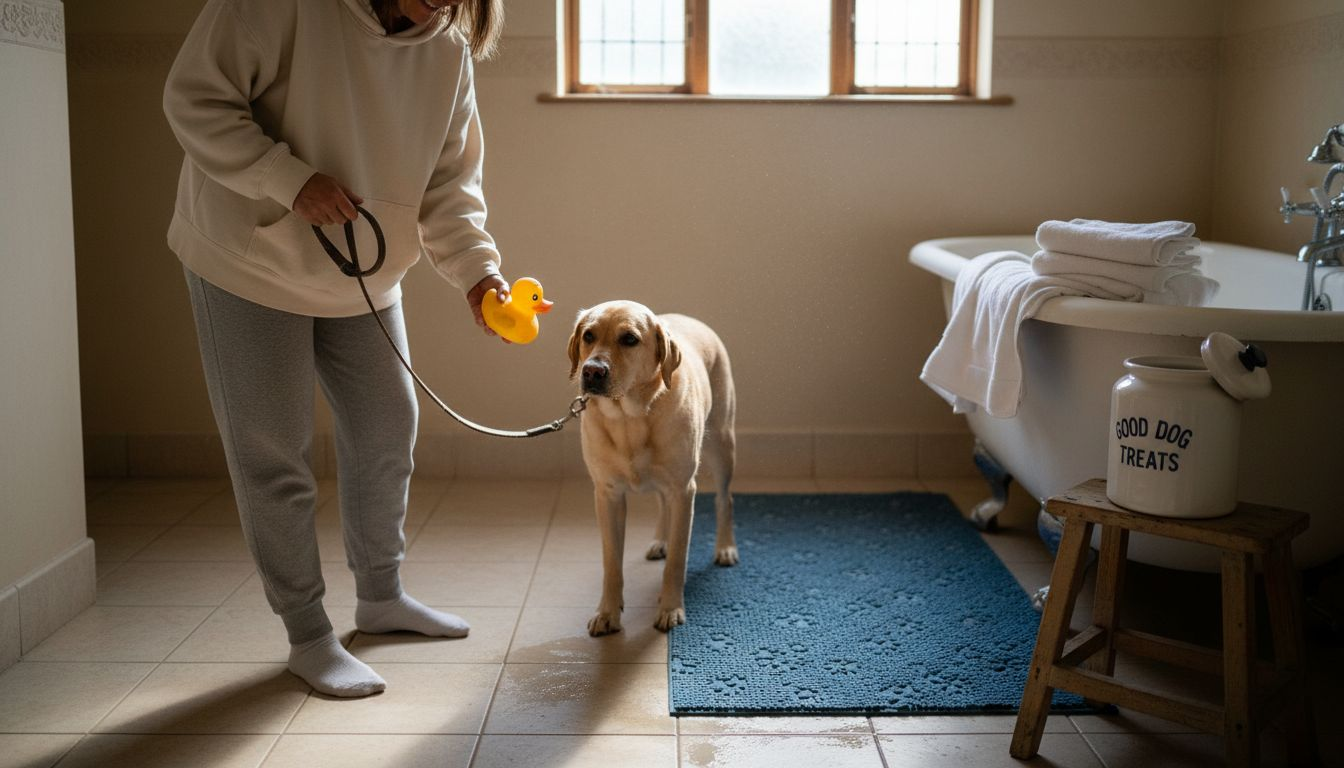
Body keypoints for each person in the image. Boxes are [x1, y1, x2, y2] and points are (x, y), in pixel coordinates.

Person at [163, 0, 507, 697]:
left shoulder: (449, 47)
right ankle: (308, 636)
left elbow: (449, 181)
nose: (444, 3)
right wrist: (289, 181)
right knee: (274, 453)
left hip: (363, 271)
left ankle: (381, 596)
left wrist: (479, 272)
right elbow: (194, 98)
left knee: (388, 424)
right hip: (248, 258)